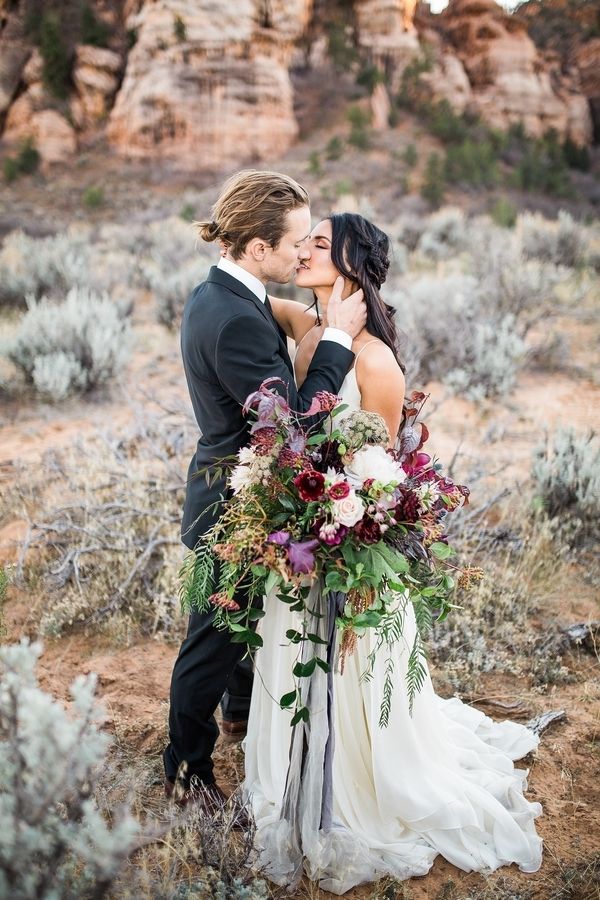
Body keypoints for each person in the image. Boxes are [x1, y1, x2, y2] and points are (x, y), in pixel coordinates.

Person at [244, 213, 543, 893]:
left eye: (320, 243)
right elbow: (244, 293)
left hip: (347, 546)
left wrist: (357, 558)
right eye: (305, 240)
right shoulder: (308, 325)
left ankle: (360, 785)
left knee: (353, 675)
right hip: (296, 539)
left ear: (352, 262)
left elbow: (378, 474)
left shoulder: (374, 360)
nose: (304, 250)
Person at [163, 172, 367, 813]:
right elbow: (294, 427)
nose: (304, 251)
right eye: (296, 242)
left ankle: (241, 711)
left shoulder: (224, 296)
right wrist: (333, 340)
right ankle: (187, 770)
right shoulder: (235, 321)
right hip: (230, 503)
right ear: (256, 248)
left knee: (239, 623)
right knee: (214, 638)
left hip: (225, 486)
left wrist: (298, 317)